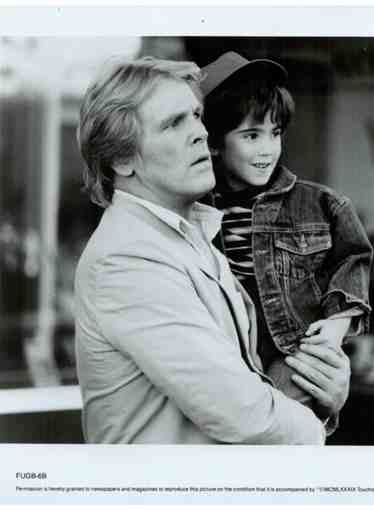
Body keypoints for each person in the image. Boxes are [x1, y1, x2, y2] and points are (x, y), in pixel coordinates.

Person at [74, 56, 350, 444]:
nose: (201, 133)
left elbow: (250, 392)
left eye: (196, 116)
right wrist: (314, 428)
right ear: (121, 158)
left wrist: (321, 390)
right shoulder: (127, 258)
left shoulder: (190, 238)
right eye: (174, 123)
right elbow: (243, 414)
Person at [200, 52, 373, 407]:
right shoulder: (195, 209)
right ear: (214, 142)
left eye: (275, 133)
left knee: (277, 423)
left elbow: (354, 259)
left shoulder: (321, 204)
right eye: (251, 136)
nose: (267, 150)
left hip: (292, 357)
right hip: (224, 363)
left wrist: (337, 324)